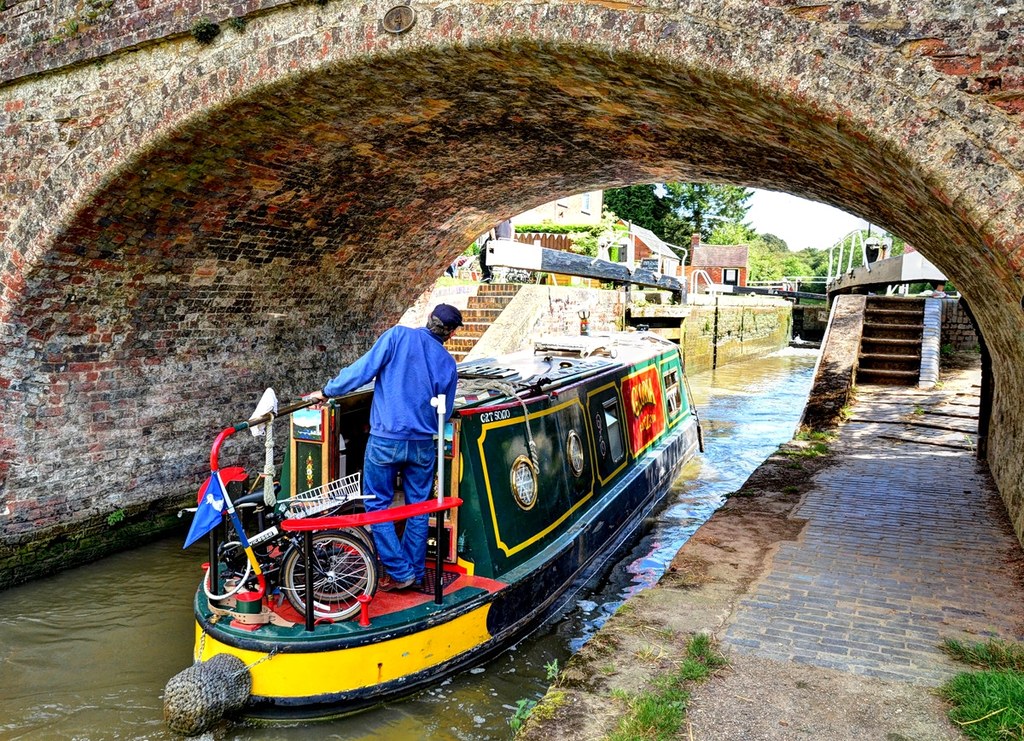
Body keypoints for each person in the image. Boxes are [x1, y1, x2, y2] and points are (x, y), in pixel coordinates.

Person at [305, 304, 462, 591]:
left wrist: (327, 391)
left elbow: (361, 371)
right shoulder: (449, 364)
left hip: (385, 441)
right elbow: (446, 409)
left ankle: (400, 572)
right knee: (418, 509)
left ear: (429, 320)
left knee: (377, 506)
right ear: (450, 334)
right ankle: (413, 571)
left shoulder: (397, 337)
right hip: (422, 446)